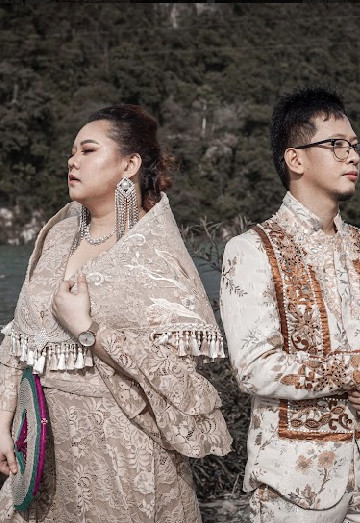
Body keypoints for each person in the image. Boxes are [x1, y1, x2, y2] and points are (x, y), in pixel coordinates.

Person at [0, 104, 232, 522]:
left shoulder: (155, 253)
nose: (72, 160)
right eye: (72, 151)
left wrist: (88, 329)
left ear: (129, 165)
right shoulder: (58, 235)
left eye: (88, 150)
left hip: (124, 458)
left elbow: (178, 382)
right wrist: (3, 421)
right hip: (42, 453)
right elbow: (19, 339)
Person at [220, 86, 360, 522]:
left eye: (355, 145)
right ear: (295, 159)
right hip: (295, 483)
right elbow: (253, 367)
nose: (353, 156)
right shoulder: (251, 249)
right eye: (337, 144)